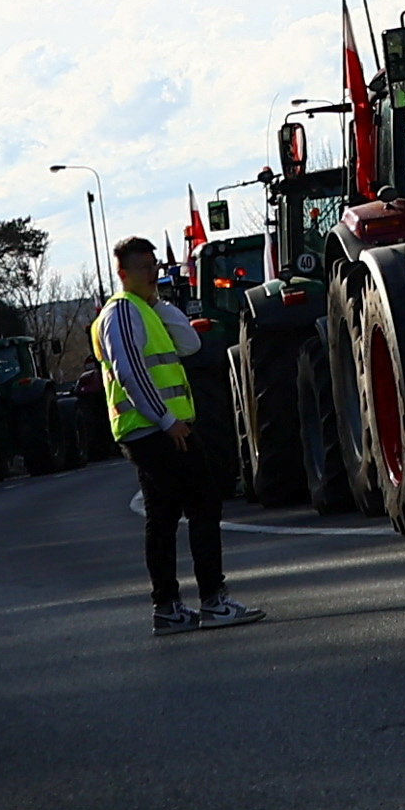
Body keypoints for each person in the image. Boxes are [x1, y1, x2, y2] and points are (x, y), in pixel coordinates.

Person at [99, 237, 254, 635]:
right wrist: (167, 420)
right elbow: (130, 371)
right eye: (143, 267)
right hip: (154, 430)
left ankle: (168, 607)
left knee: (163, 515)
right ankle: (212, 600)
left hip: (154, 429)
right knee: (203, 501)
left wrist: (160, 304)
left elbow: (189, 342)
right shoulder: (122, 312)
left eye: (153, 265)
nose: (152, 273)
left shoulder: (146, 310)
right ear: (122, 274)